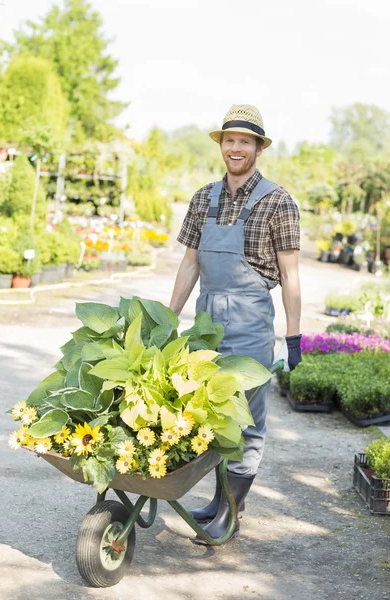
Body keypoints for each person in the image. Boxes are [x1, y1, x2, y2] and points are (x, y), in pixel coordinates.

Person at [169, 104, 302, 543]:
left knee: (246, 419)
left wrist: (294, 335)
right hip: (206, 320)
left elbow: (290, 276)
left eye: (245, 141)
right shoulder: (203, 197)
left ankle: (231, 508)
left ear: (258, 148)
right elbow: (189, 264)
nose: (236, 148)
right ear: (221, 145)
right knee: (205, 412)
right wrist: (167, 320)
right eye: (229, 140)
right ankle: (218, 498)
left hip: (249, 319)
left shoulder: (278, 201)